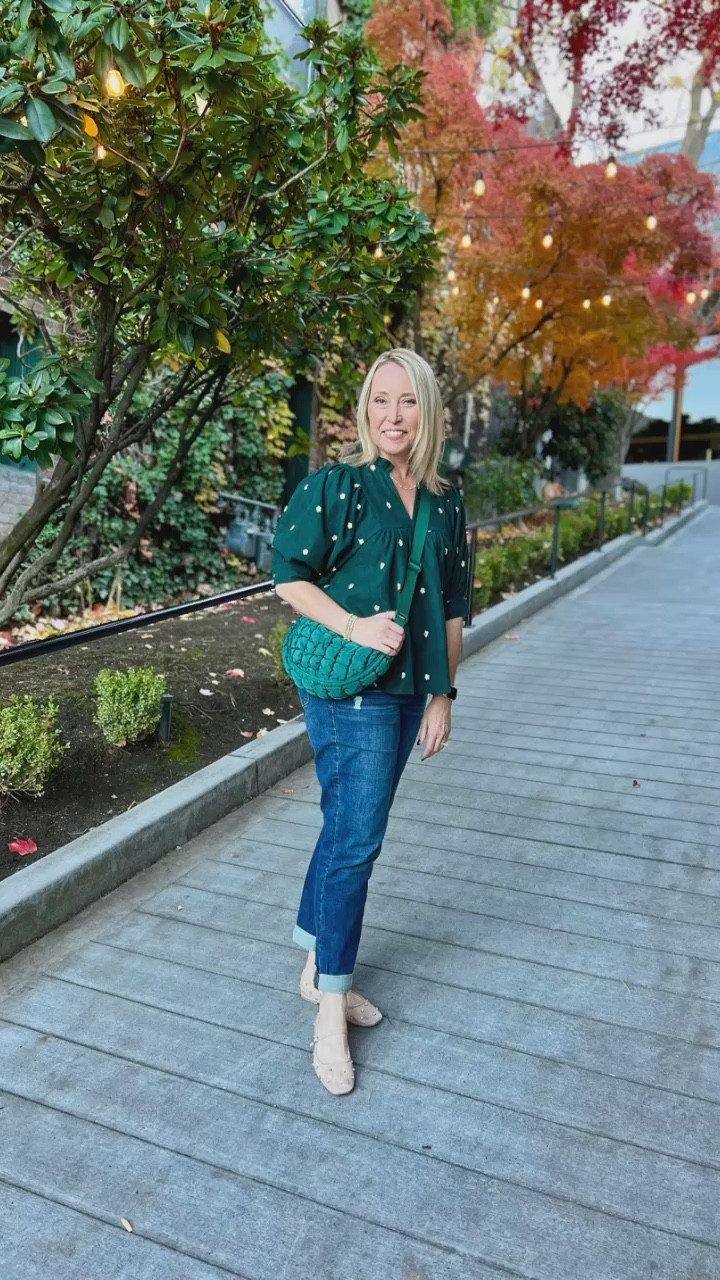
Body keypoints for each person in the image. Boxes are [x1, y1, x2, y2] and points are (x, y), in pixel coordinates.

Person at [272, 348, 469, 1096]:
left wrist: (445, 694)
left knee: (347, 831)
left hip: (412, 691)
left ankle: (317, 962)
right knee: (356, 841)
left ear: (428, 411)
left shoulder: (445, 502)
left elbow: (454, 607)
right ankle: (330, 1008)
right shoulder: (339, 485)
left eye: (407, 400)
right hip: (349, 687)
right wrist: (355, 626)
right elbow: (289, 576)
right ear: (364, 409)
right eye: (380, 400)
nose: (393, 415)